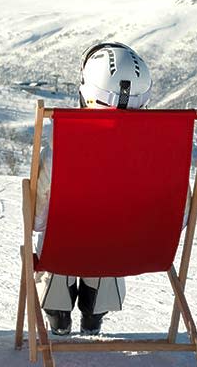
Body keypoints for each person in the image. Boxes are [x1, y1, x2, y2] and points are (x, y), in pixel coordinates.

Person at [33, 42, 153, 336]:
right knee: (109, 236)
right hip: (129, 251)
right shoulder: (159, 148)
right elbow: (179, 214)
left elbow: (37, 218)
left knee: (59, 235)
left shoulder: (61, 146)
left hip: (63, 250)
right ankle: (96, 311)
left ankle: (57, 310)